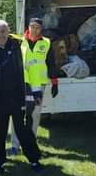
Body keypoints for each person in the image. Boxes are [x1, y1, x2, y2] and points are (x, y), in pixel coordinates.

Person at [0, 20, 43, 174]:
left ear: (8, 31)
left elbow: (34, 70)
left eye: (3, 31)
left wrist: (37, 91)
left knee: (24, 130)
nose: (0, 35)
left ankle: (34, 160)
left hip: (19, 97)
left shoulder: (21, 47)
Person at [10, 17, 59, 154]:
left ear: (41, 29)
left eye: (37, 27)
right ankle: (15, 145)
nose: (34, 30)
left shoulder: (47, 43)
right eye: (32, 27)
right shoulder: (19, 42)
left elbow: (51, 63)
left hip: (39, 84)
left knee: (35, 114)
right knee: (18, 113)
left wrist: (55, 82)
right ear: (28, 27)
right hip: (21, 83)